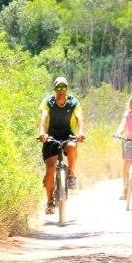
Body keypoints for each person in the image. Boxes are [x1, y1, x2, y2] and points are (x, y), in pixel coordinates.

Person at [38, 76, 85, 214]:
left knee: (72, 146)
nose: (61, 90)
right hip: (50, 136)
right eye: (58, 87)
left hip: (67, 134)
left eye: (63, 88)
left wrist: (81, 132)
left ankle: (71, 174)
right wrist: (42, 133)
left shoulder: (73, 102)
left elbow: (79, 118)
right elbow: (43, 118)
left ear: (67, 89)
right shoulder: (48, 102)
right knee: (50, 169)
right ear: (54, 89)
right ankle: (50, 203)